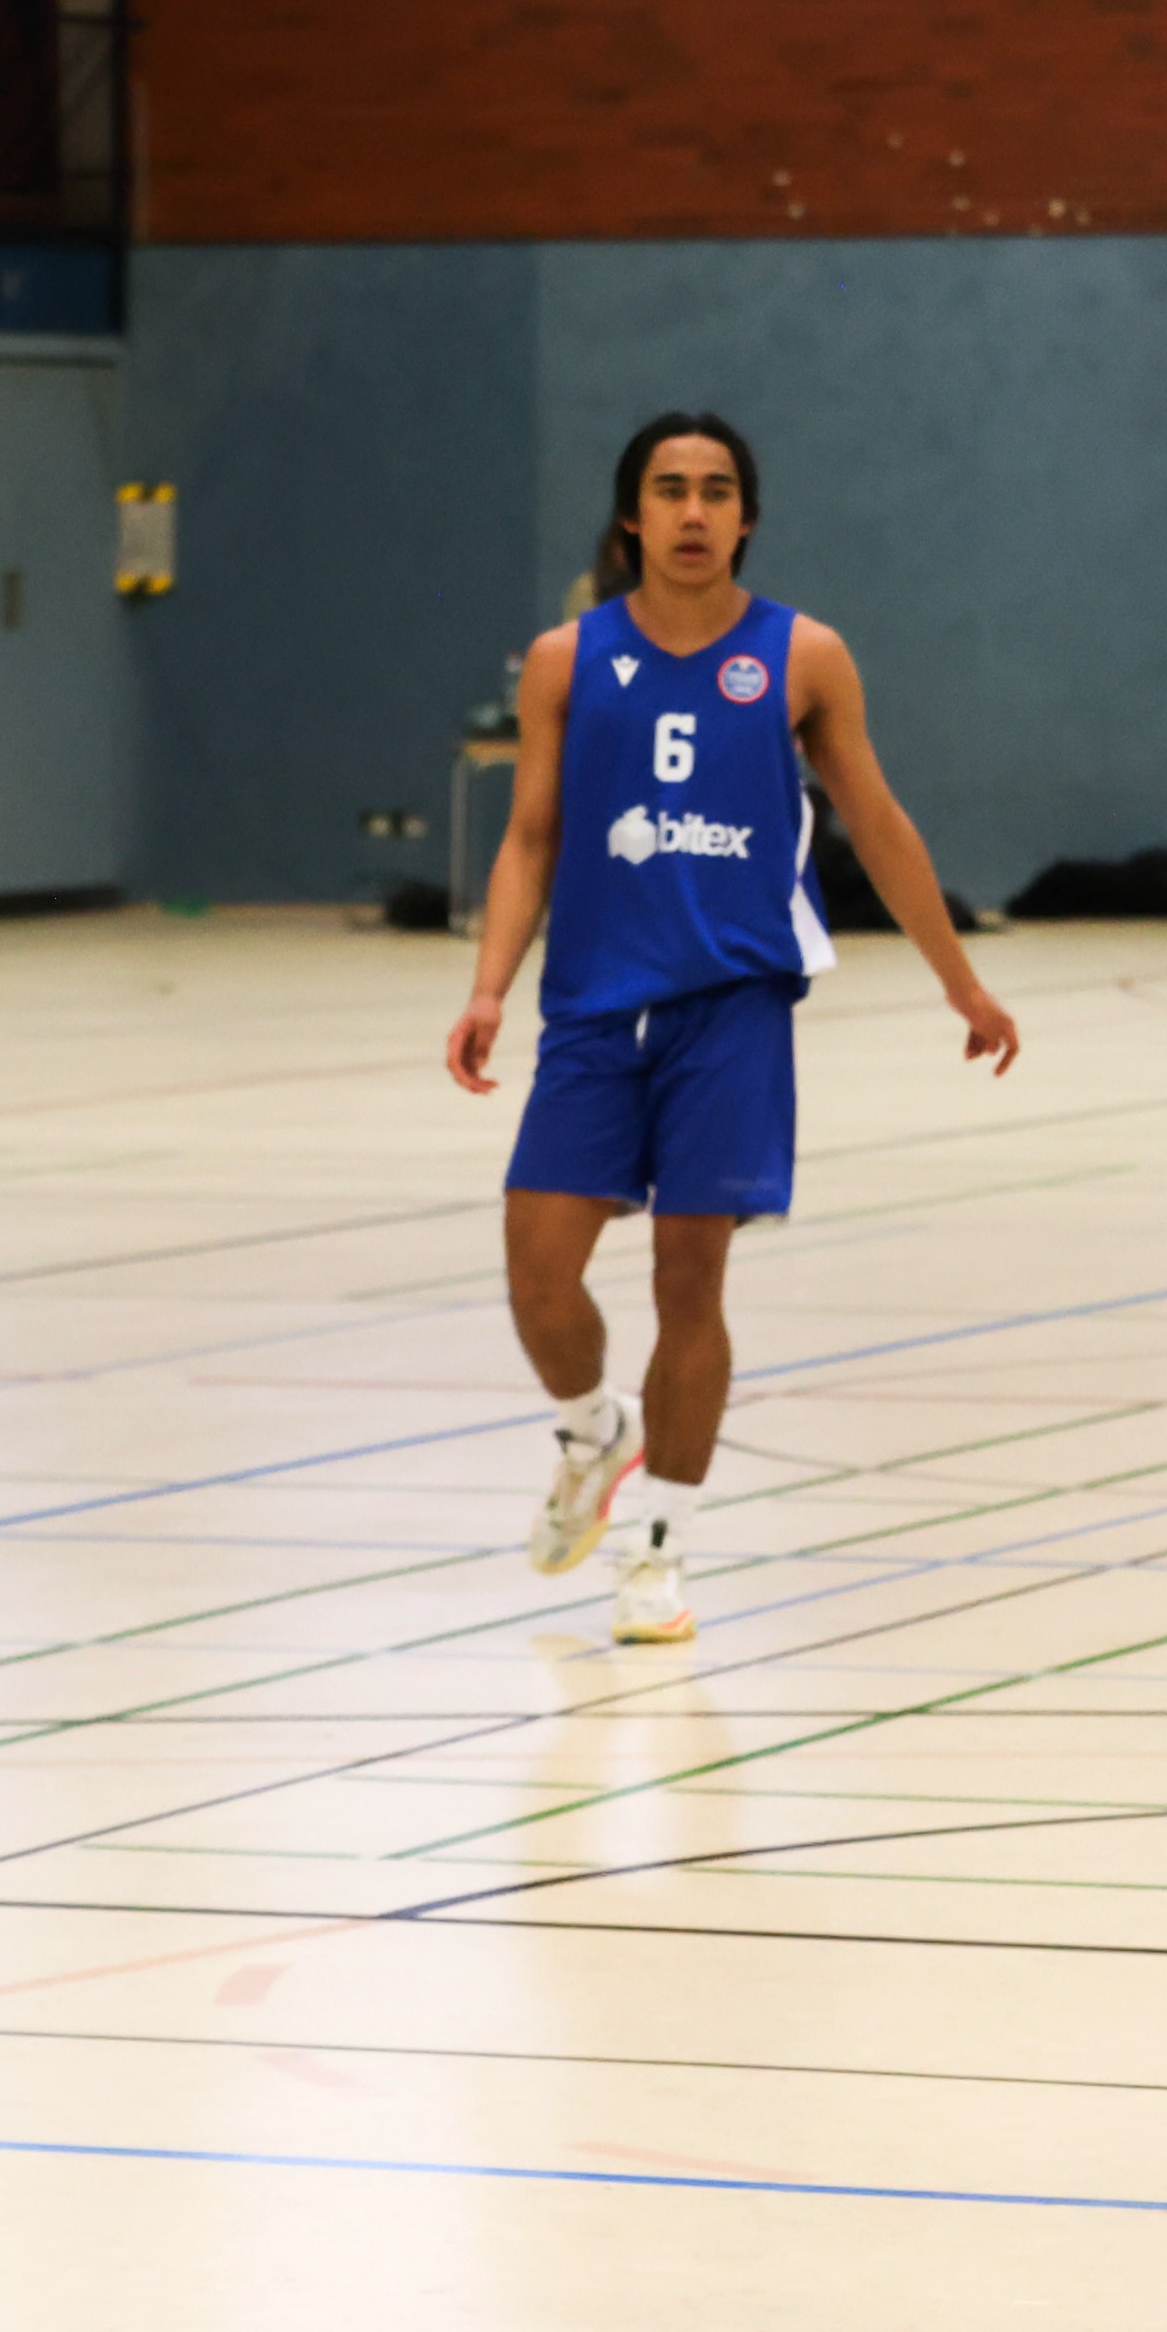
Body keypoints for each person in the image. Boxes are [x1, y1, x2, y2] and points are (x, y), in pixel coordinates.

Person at [449, 409, 1019, 1645]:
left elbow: (877, 823)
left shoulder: (801, 656)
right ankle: (593, 1431)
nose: (693, 512)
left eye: (715, 490)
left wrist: (958, 983)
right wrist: (489, 986)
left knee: (687, 1278)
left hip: (733, 1007)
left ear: (746, 515)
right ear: (631, 515)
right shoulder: (565, 660)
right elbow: (531, 835)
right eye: (670, 489)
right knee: (537, 1267)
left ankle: (658, 1544)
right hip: (593, 1006)